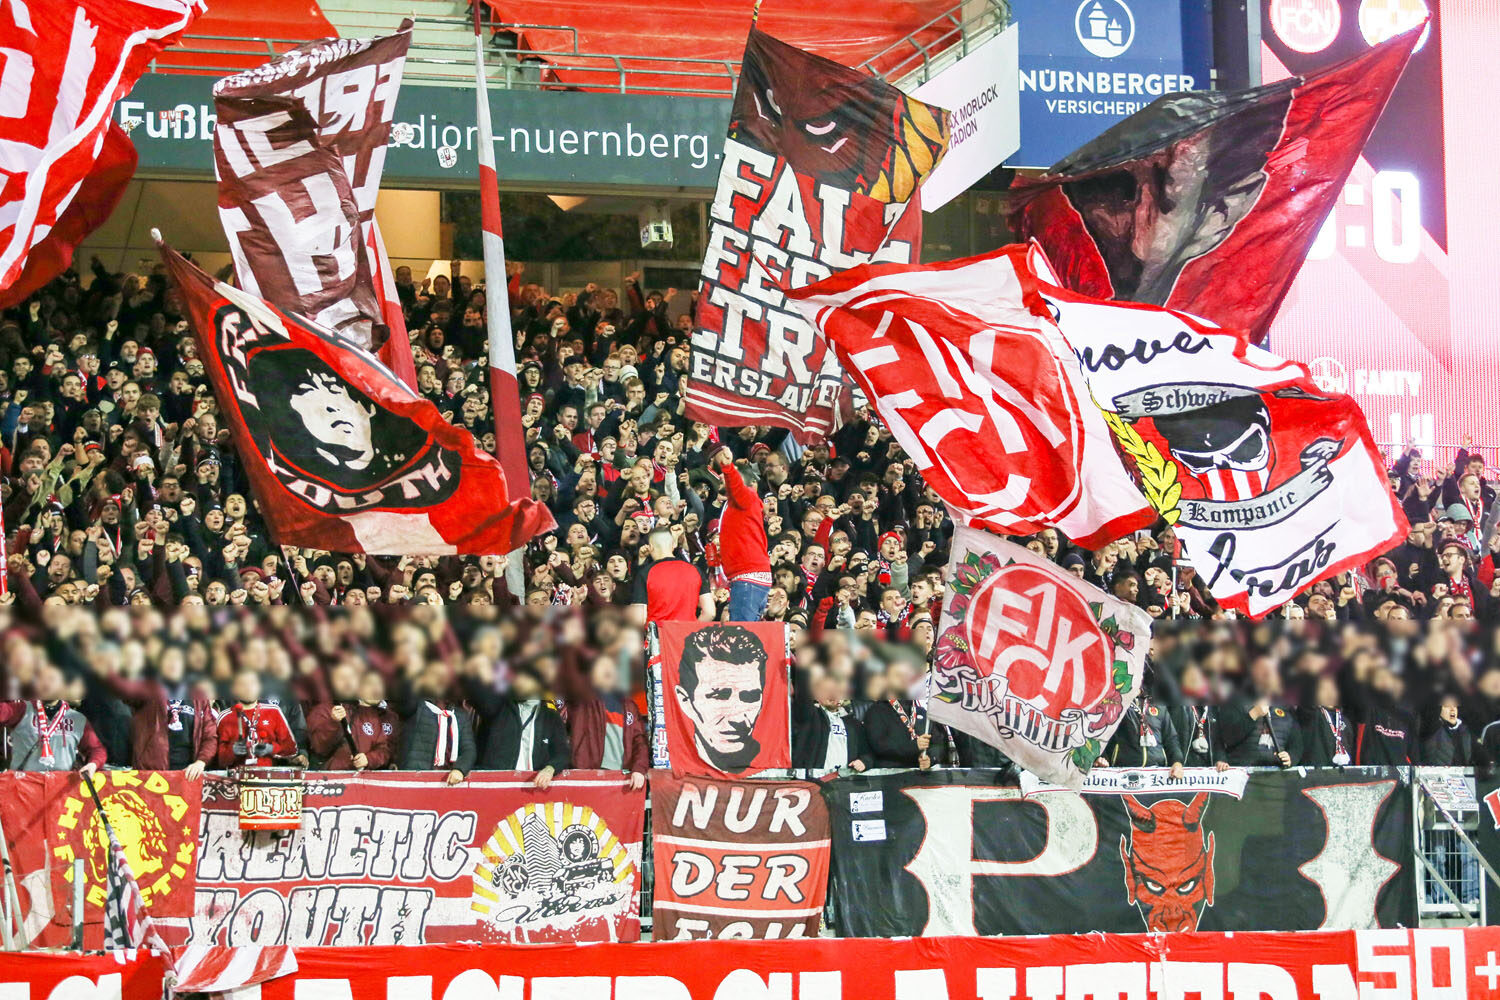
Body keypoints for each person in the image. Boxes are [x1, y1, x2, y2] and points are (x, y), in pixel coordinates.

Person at [97, 644, 216, 777]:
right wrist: (110, 672)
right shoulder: (148, 688)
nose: (173, 663)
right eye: (168, 658)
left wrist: (201, 762)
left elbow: (210, 735)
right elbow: (125, 690)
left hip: (187, 775)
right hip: (152, 774)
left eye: (178, 659)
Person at [673, 624, 769, 772]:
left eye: (750, 697)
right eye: (720, 696)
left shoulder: (770, 759)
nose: (738, 718)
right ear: (685, 701)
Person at [553, 649, 648, 789]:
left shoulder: (629, 705)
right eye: (602, 666)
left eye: (612, 667)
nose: (608, 670)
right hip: (586, 778)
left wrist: (639, 769)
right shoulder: (581, 698)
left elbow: (640, 741)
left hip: (622, 780)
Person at [466, 660, 570, 787]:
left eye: (526, 679)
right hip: (495, 785)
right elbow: (479, 699)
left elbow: (562, 753)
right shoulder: (499, 705)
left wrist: (550, 768)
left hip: (532, 787)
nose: (519, 683)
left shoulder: (551, 717)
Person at [0, 662, 106, 775]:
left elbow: (97, 749)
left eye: (52, 680)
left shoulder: (78, 719)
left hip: (61, 784)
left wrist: (93, 764)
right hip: (24, 784)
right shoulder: (21, 710)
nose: (47, 684)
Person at [713, 447, 771, 621]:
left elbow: (738, 487)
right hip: (750, 577)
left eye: (729, 477)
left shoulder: (748, 496)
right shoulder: (739, 505)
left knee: (741, 633)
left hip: (748, 579)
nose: (722, 477)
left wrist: (728, 466)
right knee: (748, 634)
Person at [395, 663, 475, 784]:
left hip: (447, 782)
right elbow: (404, 700)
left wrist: (460, 769)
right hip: (414, 781)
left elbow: (469, 750)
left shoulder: (460, 716)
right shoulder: (416, 706)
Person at [863, 659, 949, 769]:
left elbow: (939, 743)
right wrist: (914, 746)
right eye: (898, 675)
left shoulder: (922, 712)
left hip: (921, 775)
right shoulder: (876, 711)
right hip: (891, 775)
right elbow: (879, 746)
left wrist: (930, 758)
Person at [306, 661, 391, 771]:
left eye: (351, 677)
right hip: (333, 778)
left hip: (362, 779)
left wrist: (368, 759)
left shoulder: (371, 715)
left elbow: (383, 750)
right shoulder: (321, 711)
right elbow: (319, 748)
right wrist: (333, 722)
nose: (348, 682)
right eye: (342, 678)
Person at [1218, 657, 1301, 767]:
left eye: (1272, 671)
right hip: (1243, 772)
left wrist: (1291, 757)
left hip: (1276, 773)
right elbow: (1227, 738)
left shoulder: (1286, 706)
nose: (1268, 675)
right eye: (1263, 671)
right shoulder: (1235, 700)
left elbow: (1297, 744)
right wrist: (1253, 714)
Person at [791, 658, 871, 773]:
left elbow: (867, 753)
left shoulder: (854, 724)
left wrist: (864, 761)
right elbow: (803, 693)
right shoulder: (810, 715)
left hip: (845, 780)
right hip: (815, 779)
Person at [211, 668, 297, 770]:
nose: (248, 688)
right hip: (236, 776)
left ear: (259, 687)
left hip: (267, 775)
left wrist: (272, 749)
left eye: (252, 683)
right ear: (234, 689)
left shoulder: (274, 712)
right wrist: (232, 751)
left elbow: (291, 750)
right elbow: (217, 761)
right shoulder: (224, 717)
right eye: (243, 684)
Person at [631, 526, 714, 625]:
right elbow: (710, 612)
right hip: (688, 633)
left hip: (658, 633)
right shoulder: (695, 570)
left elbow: (639, 618)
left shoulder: (645, 573)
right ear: (673, 545)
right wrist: (693, 629)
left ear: (651, 547)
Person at [1297, 674, 1355, 767]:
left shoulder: (1345, 721)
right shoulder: (1310, 714)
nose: (1329, 693)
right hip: (1316, 773)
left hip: (1342, 773)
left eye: (1333, 689)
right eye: (1324, 689)